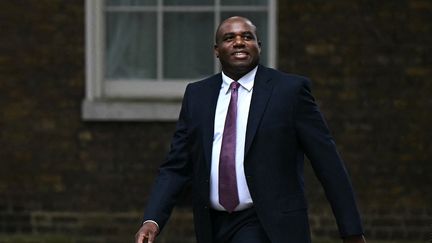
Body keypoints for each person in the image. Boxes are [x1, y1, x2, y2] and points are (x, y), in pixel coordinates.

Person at [135, 16, 366, 243]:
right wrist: (152, 220)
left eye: (247, 36)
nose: (239, 42)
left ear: (259, 46)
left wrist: (351, 231)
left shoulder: (289, 91)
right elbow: (176, 166)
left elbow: (327, 162)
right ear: (216, 50)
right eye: (229, 37)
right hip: (211, 224)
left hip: (266, 224)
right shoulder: (198, 95)